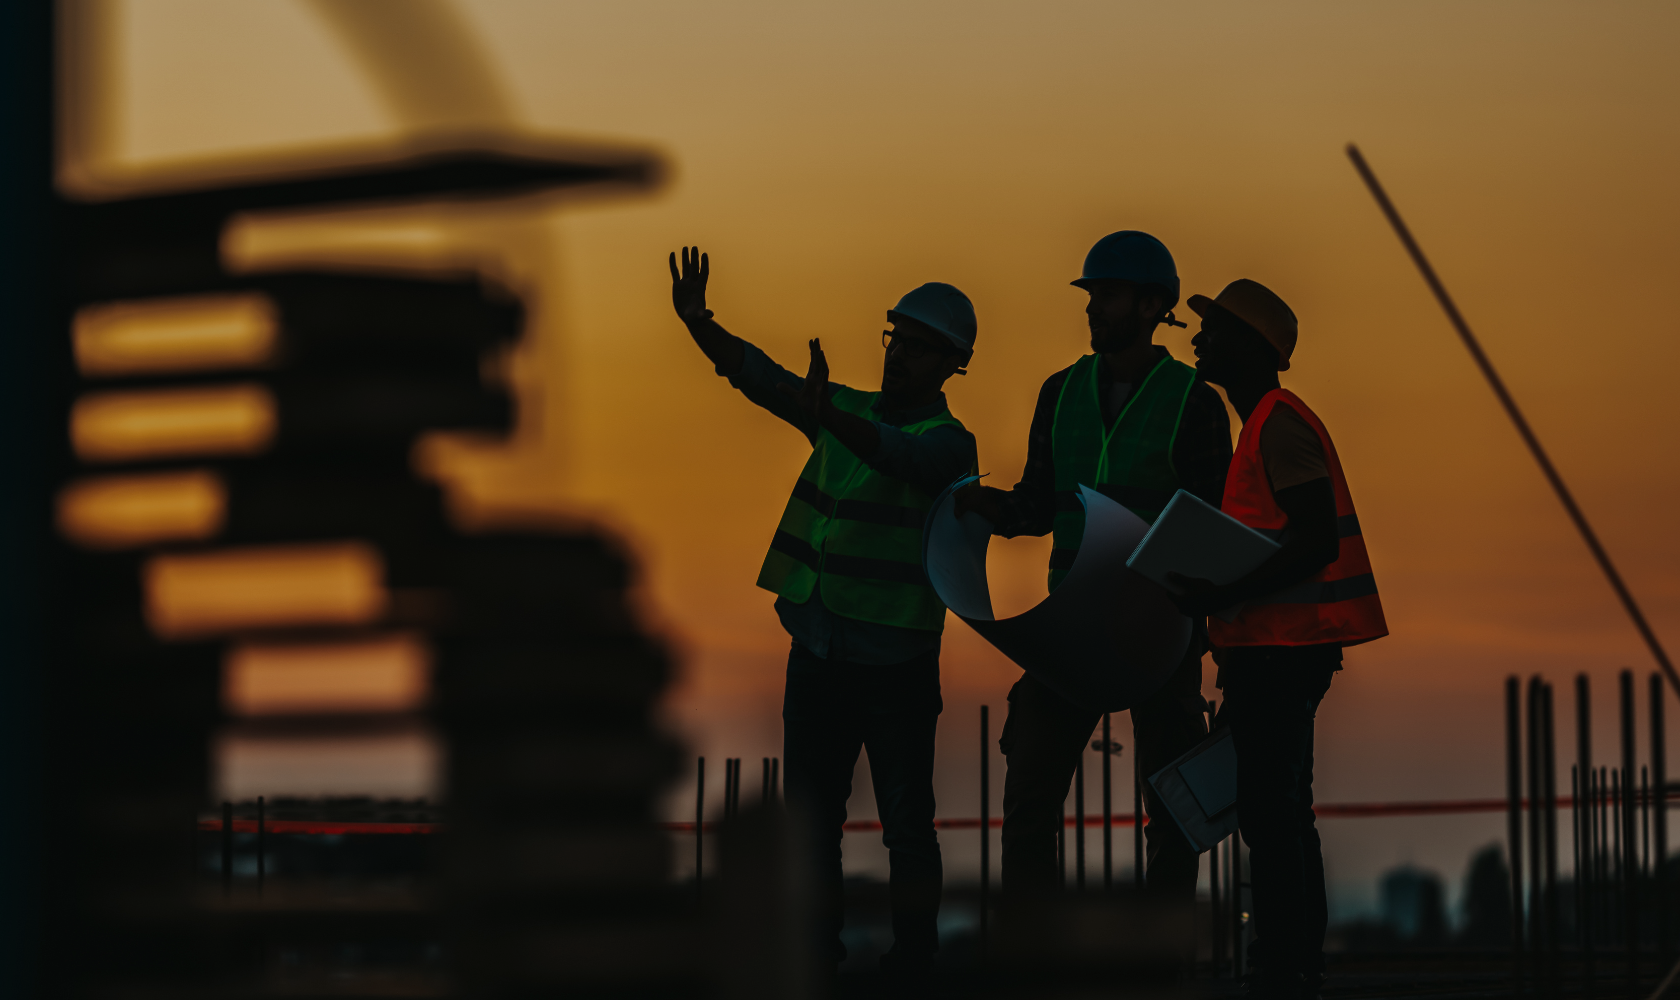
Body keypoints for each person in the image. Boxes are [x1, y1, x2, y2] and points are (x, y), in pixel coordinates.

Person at [668, 247, 978, 980]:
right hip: (819, 647)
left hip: (895, 664)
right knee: (811, 826)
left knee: (907, 827)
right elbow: (762, 379)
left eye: (916, 346)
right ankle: (814, 959)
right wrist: (699, 324)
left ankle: (914, 964)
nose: (898, 355)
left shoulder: (949, 444)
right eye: (894, 338)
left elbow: (901, 457)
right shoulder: (844, 411)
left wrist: (829, 416)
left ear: (950, 365)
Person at [955, 231, 1232, 905]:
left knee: (1171, 810)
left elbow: (1213, 528)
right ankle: (1037, 962)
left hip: (1160, 631)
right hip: (1072, 630)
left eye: (1106, 295)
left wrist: (1203, 633)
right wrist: (995, 510)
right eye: (1092, 295)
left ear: (1149, 306)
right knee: (1028, 801)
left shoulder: (1191, 400)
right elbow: (1043, 500)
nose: (1093, 308)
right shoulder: (1060, 393)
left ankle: (1158, 964)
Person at [1166, 278, 1388, 1000]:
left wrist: (1221, 591)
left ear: (1251, 347)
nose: (1198, 340)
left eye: (1214, 330)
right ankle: (1294, 961)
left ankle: (1284, 964)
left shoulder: (1277, 423)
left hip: (1285, 653)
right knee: (1283, 809)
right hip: (1270, 652)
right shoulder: (1260, 425)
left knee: (1272, 810)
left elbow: (1314, 538)